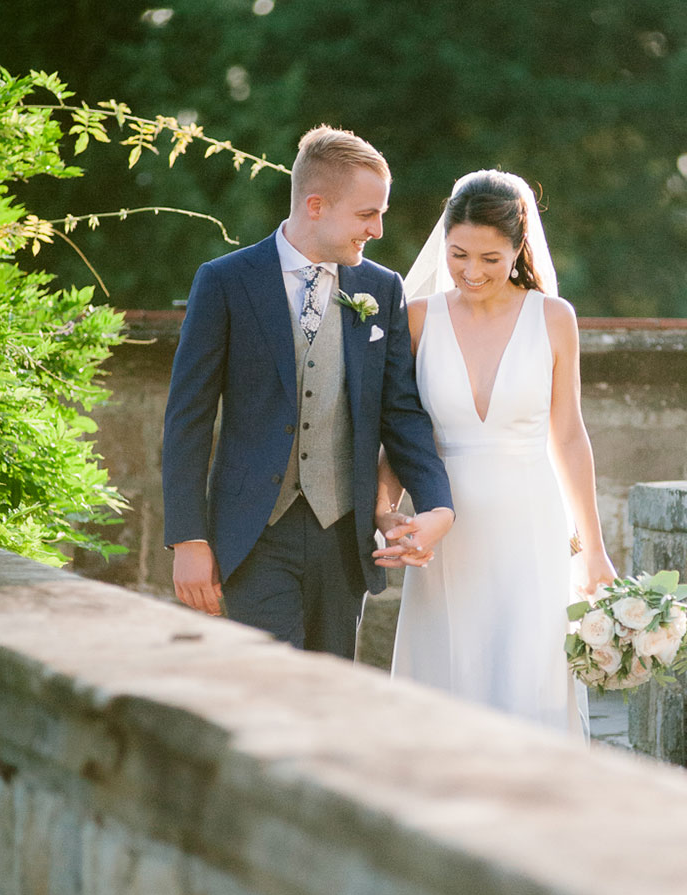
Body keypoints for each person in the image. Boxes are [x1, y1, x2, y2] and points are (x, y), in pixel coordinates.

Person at [161, 124, 454, 656]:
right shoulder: (225, 281)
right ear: (316, 205)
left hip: (342, 539)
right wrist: (188, 537)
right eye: (368, 214)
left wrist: (438, 504)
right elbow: (189, 417)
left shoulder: (379, 288)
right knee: (269, 689)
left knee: (331, 693)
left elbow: (402, 413)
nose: (379, 230)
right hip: (254, 536)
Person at [376, 169, 616, 738]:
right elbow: (401, 434)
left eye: (490, 258)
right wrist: (386, 513)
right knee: (444, 685)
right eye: (459, 254)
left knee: (529, 685)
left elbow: (569, 435)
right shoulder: (418, 318)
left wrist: (594, 552)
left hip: (531, 529)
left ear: (518, 248)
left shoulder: (553, 318)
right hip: (446, 534)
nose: (472, 272)